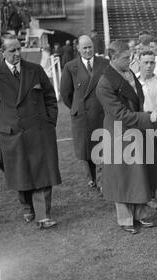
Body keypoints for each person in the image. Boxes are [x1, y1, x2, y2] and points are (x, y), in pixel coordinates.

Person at [0, 35, 61, 229]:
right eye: (12, 50)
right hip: (12, 134)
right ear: (2, 52)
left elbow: (50, 98)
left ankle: (43, 216)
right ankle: (28, 208)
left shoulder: (35, 70)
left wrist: (49, 122)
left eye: (19, 49)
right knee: (20, 173)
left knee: (43, 172)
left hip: (39, 131)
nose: (17, 53)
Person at [96, 40, 157, 234]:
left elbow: (136, 101)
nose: (130, 60)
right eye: (126, 58)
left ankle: (140, 214)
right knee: (123, 177)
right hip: (119, 132)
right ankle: (125, 218)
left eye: (130, 56)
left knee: (138, 174)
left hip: (135, 128)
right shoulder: (105, 83)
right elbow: (120, 114)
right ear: (113, 57)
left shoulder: (128, 72)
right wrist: (148, 117)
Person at [60, 35, 109, 190]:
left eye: (90, 47)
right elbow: (66, 93)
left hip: (101, 113)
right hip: (82, 115)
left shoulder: (104, 63)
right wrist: (78, 107)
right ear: (78, 48)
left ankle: (103, 180)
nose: (88, 50)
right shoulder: (70, 66)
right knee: (86, 149)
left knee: (102, 147)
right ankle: (92, 178)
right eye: (84, 48)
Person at [136, 50, 157, 210]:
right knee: (136, 161)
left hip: (154, 123)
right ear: (139, 62)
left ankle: (151, 196)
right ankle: (137, 195)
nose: (149, 66)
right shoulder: (132, 81)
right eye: (146, 62)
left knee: (151, 161)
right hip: (135, 123)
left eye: (152, 62)